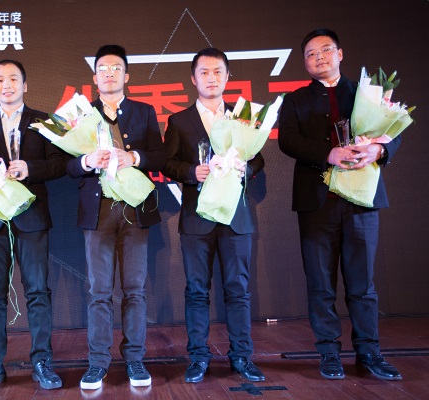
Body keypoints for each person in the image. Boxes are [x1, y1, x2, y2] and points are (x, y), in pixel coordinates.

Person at [278, 28, 402, 381]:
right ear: (304, 62)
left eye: (325, 50)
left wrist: (379, 150)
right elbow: (287, 140)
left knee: (363, 284)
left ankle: (369, 353)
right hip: (318, 203)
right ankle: (329, 353)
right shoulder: (296, 100)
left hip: (361, 200)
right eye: (311, 53)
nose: (319, 57)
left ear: (340, 54)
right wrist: (327, 153)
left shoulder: (367, 94)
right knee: (321, 284)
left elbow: (394, 131)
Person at [0, 60, 67, 393]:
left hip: (31, 215)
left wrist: (30, 168)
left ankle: (42, 363)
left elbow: (63, 164)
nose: (6, 84)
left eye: (13, 78)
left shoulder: (45, 121)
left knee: (37, 291)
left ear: (25, 85)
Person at [163, 48, 266, 384]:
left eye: (218, 71)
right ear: (193, 79)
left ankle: (242, 357)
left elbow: (258, 158)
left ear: (227, 76)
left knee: (238, 289)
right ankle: (198, 358)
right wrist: (192, 172)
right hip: (197, 217)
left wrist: (245, 167)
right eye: (204, 72)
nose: (211, 78)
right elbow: (168, 163)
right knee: (196, 291)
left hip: (236, 215)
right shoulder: (179, 121)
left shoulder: (242, 116)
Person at [66, 45, 165, 390]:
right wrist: (86, 162)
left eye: (116, 68)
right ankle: (98, 363)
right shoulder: (80, 115)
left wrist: (133, 157)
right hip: (98, 211)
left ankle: (135, 359)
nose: (110, 74)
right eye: (103, 69)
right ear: (94, 78)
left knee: (135, 289)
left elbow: (161, 156)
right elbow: (65, 165)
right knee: (99, 291)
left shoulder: (143, 111)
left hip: (135, 209)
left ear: (126, 75)